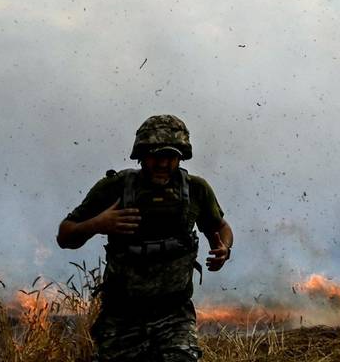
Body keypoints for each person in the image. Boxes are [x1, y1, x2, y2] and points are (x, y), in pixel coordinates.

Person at [57, 114, 234, 362]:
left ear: (181, 156)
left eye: (170, 157)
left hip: (174, 315)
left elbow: (221, 227)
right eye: (155, 156)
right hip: (121, 316)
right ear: (140, 155)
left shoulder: (196, 190)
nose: (162, 164)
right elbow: (65, 235)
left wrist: (223, 249)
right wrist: (98, 224)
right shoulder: (116, 188)